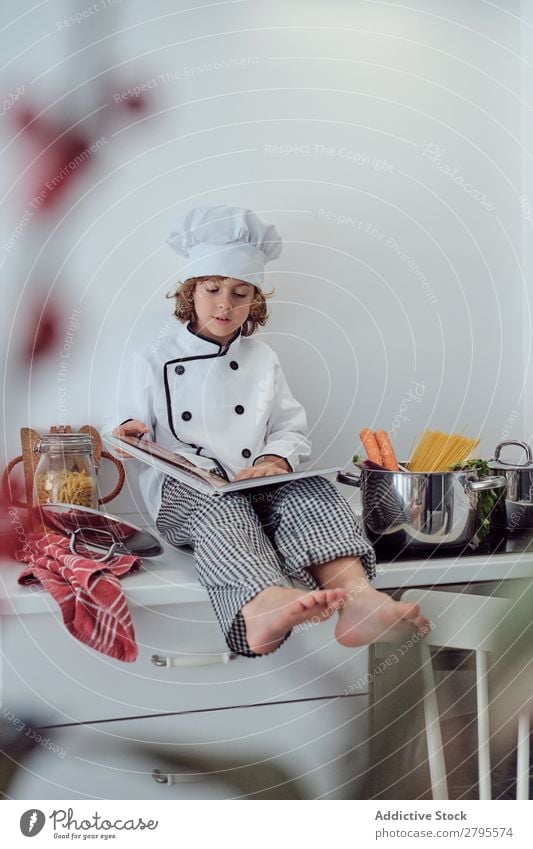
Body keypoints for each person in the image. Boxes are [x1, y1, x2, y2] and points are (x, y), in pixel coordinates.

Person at [109, 206, 429, 657]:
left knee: (310, 490)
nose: (225, 303)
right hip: (185, 490)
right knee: (221, 511)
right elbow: (122, 427)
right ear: (190, 293)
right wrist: (128, 432)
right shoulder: (151, 358)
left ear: (254, 301)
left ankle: (359, 601)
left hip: (256, 480)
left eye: (240, 293)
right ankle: (261, 603)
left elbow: (289, 428)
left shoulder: (262, 359)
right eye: (212, 289)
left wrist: (273, 460)